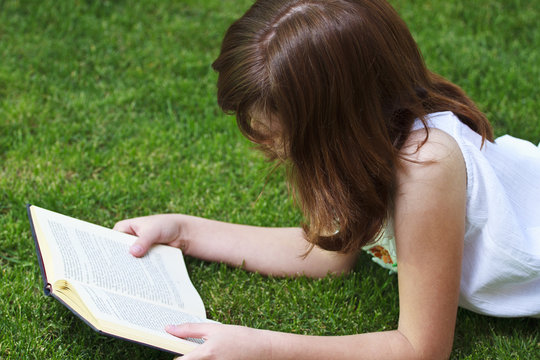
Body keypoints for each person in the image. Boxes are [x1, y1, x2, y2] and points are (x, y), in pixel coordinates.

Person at [113, 0, 540, 358]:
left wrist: (259, 347)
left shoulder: (425, 167)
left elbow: (419, 348)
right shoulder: (362, 147)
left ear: (334, 125)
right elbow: (326, 255)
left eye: (279, 134)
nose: (265, 143)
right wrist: (185, 231)